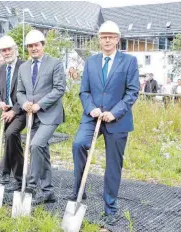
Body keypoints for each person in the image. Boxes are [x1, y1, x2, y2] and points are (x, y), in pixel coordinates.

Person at [71, 21, 139, 225]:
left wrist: (114, 112)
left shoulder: (129, 61)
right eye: (103, 36)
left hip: (116, 120)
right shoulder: (91, 62)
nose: (107, 40)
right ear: (99, 39)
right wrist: (91, 108)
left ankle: (110, 207)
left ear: (117, 39)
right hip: (93, 116)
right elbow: (84, 90)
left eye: (111, 36)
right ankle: (79, 191)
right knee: (78, 144)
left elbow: (132, 91)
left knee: (113, 164)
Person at [16, 29, 66, 205]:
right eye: (30, 46)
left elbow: (59, 88)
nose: (33, 48)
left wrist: (39, 104)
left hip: (50, 114)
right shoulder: (23, 67)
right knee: (42, 150)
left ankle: (30, 184)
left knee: (35, 145)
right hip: (32, 116)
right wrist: (24, 104)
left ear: (43, 45)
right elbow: (20, 92)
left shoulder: (55, 63)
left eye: (36, 45)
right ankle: (47, 191)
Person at [0, 35, 25, 192]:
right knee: (12, 140)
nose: (6, 53)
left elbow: (27, 93)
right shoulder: (0, 68)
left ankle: (10, 174)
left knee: (11, 134)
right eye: (3, 50)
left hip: (22, 110)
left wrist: (14, 111)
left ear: (15, 50)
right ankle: (14, 176)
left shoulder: (24, 67)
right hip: (6, 111)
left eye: (8, 49)